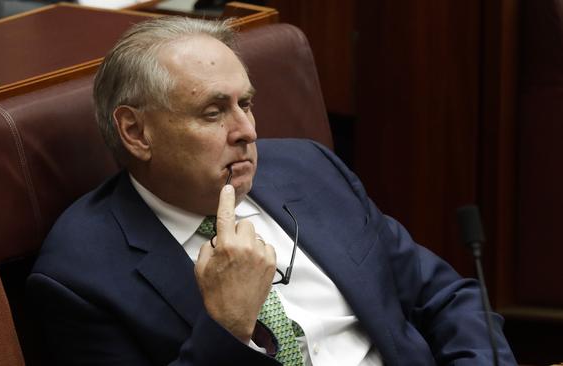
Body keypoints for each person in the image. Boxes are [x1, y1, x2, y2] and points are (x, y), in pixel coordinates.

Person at [27, 16, 517, 365]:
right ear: (136, 133)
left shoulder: (309, 169)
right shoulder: (80, 275)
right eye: (214, 112)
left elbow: (446, 297)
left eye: (248, 103)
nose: (247, 130)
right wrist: (228, 325)